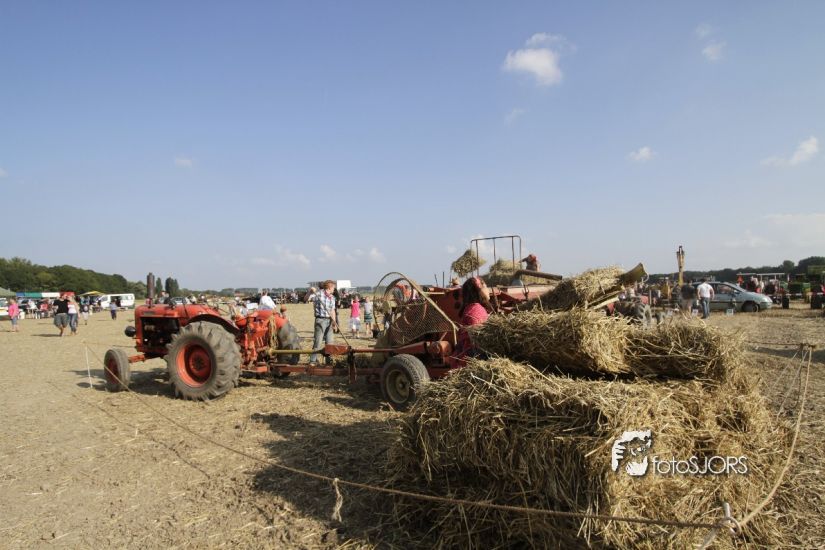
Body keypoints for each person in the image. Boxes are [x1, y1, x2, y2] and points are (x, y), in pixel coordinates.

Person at [455, 277, 491, 359]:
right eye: (486, 287)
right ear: (479, 290)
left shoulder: (473, 307)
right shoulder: (475, 310)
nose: (488, 290)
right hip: (475, 357)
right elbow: (478, 340)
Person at [309, 280, 337, 365]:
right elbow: (306, 299)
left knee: (330, 342)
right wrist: (310, 291)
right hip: (320, 320)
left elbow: (332, 310)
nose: (334, 289)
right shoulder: (318, 294)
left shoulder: (332, 297)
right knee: (318, 342)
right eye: (333, 288)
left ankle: (329, 361)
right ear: (329, 287)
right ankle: (313, 361)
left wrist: (334, 322)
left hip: (329, 320)